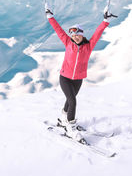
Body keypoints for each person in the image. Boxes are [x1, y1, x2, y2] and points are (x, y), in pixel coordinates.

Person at [45, 7, 111, 141]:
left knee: (70, 100)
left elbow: (98, 33)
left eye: (77, 35)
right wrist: (50, 17)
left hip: (78, 79)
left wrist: (105, 21)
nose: (75, 37)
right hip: (65, 77)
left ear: (82, 35)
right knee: (73, 101)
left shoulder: (89, 46)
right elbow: (58, 30)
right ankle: (71, 128)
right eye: (73, 36)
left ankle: (64, 119)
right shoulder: (68, 42)